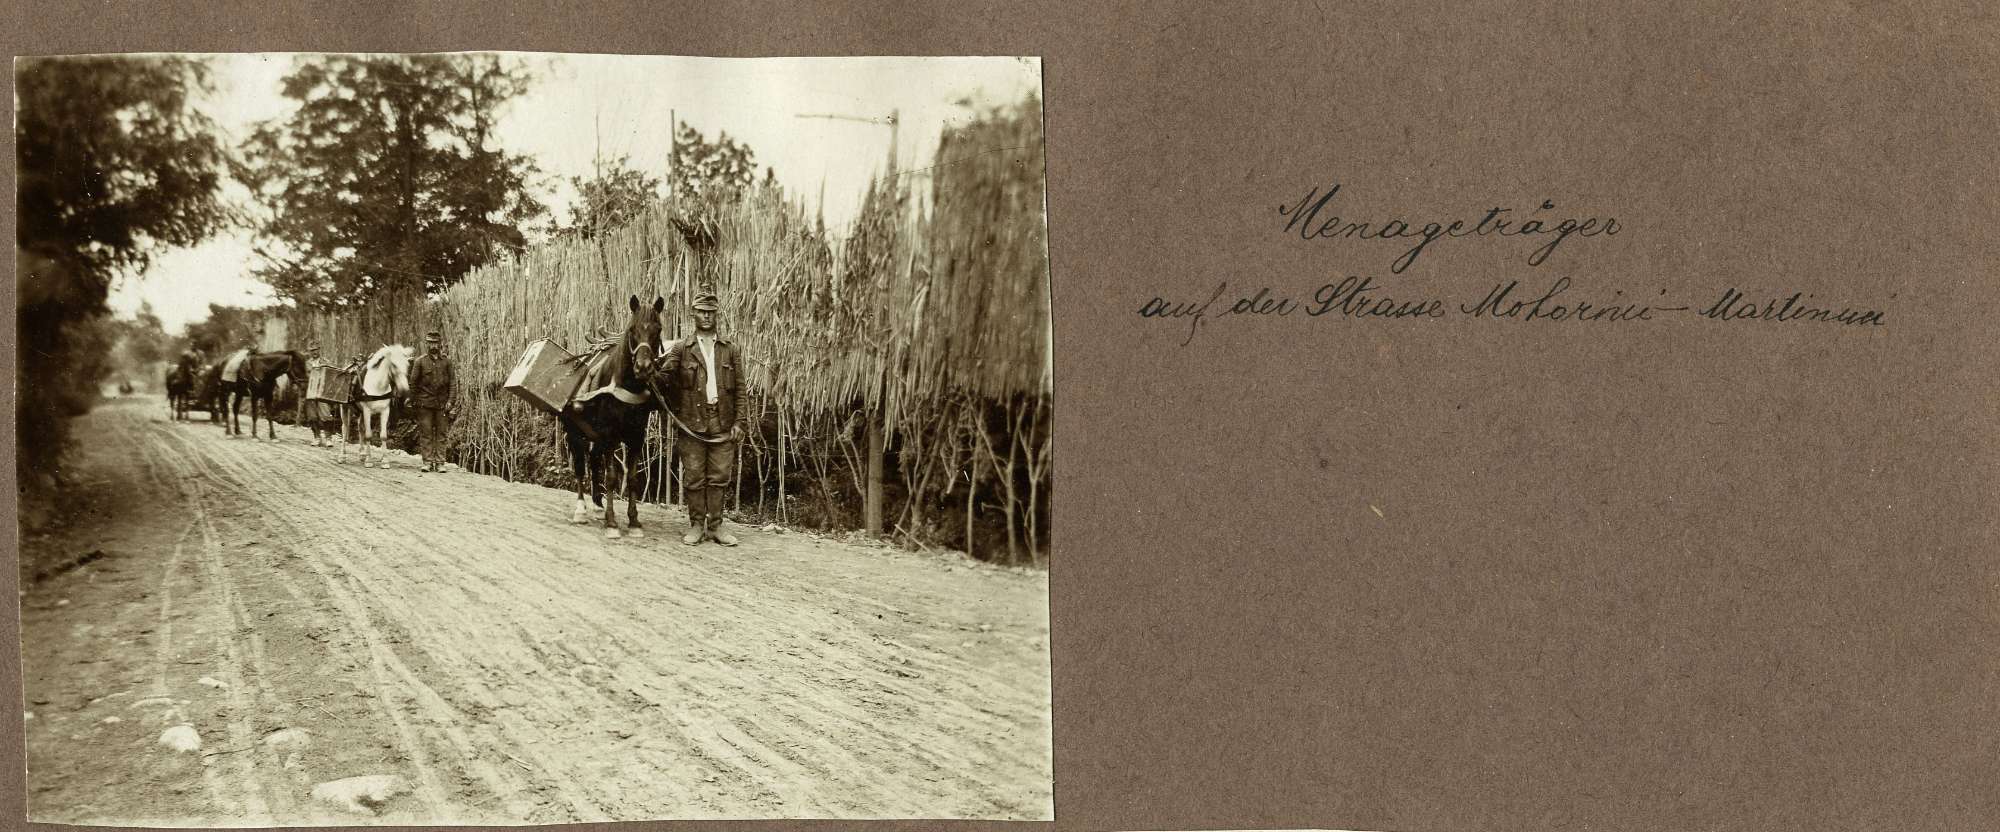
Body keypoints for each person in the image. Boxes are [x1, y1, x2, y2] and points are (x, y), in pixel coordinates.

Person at [660, 288, 749, 546]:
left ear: (716, 314)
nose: (707, 316)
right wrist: (648, 371)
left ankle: (716, 526)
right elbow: (665, 378)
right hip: (691, 422)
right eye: (701, 312)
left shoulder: (730, 349)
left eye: (711, 312)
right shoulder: (682, 349)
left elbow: (741, 389)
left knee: (719, 476)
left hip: (722, 421)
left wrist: (740, 422)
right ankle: (697, 525)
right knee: (694, 476)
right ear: (693, 314)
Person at [406, 330, 455, 473]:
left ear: (440, 344)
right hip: (424, 404)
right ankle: (427, 462)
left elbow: (453, 383)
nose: (433, 345)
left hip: (442, 404)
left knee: (441, 434)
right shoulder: (420, 362)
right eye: (430, 343)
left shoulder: (447, 362)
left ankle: (440, 463)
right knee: (426, 433)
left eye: (436, 343)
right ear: (426, 344)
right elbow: (413, 384)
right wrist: (414, 402)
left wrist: (451, 401)